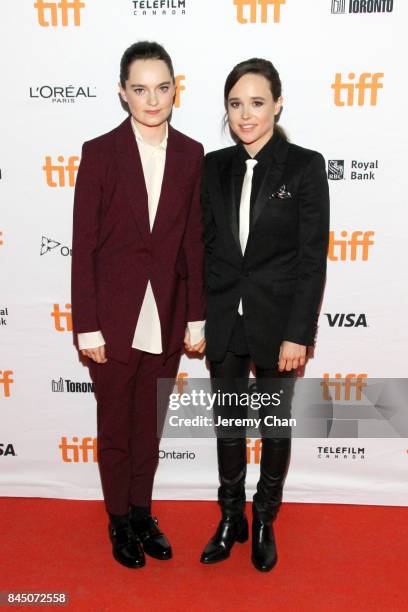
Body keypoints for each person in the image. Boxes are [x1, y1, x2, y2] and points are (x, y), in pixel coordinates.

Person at [71, 41, 206, 569]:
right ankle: (118, 520)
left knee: (150, 426)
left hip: (168, 314)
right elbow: (84, 246)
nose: (153, 99)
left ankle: (143, 512)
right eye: (141, 88)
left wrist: (196, 316)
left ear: (177, 88)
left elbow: (194, 242)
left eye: (163, 87)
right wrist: (87, 326)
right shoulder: (100, 152)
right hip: (112, 317)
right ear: (122, 93)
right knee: (116, 427)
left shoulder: (193, 154)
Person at [200, 58, 329, 572]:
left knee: (274, 425)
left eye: (257, 102)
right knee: (228, 423)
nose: (246, 114)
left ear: (277, 103)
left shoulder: (304, 165)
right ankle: (230, 517)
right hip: (225, 320)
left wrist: (300, 332)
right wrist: (198, 318)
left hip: (279, 326)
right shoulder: (212, 166)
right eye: (236, 104)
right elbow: (204, 246)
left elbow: (310, 258)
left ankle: (265, 519)